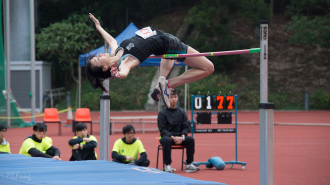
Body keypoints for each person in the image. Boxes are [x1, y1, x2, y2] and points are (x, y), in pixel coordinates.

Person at [86, 13, 214, 108]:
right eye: (97, 59)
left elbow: (112, 40)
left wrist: (98, 27)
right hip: (169, 43)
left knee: (168, 56)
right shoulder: (124, 63)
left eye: (96, 56)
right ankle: (169, 84)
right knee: (208, 68)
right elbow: (124, 73)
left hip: (162, 46)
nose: (99, 55)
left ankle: (161, 84)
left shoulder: (114, 52)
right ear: (104, 68)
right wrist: (118, 75)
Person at [157, 89, 199, 173]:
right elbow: (162, 129)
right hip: (168, 137)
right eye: (171, 97)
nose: (174, 99)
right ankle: (168, 165)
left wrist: (182, 137)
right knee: (166, 140)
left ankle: (189, 164)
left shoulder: (182, 112)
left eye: (175, 97)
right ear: (167, 99)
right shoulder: (162, 113)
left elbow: (185, 127)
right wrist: (172, 137)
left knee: (190, 140)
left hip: (180, 137)